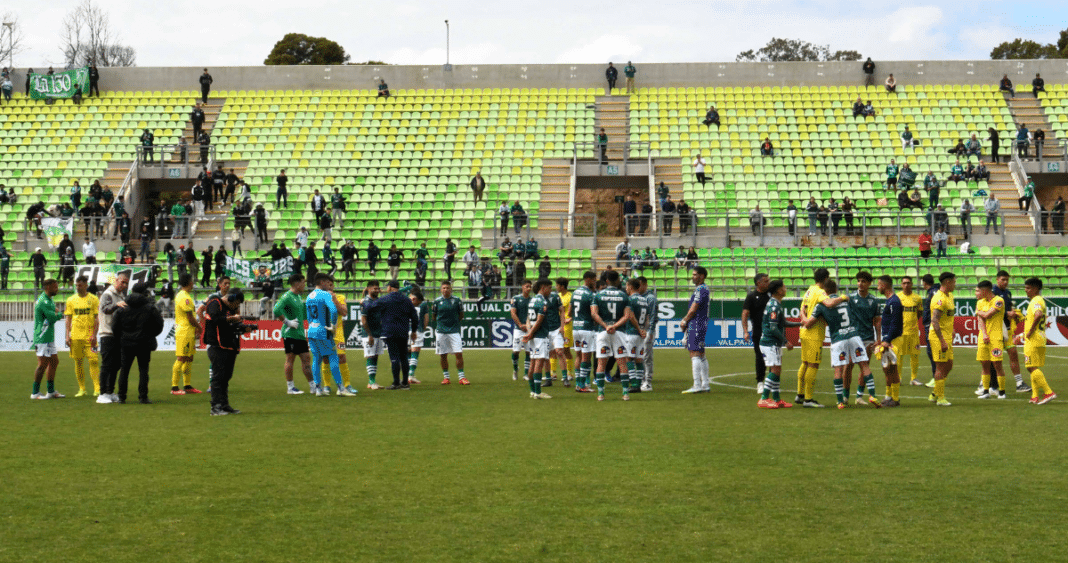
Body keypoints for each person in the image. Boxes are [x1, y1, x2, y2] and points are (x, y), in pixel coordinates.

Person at [801, 280, 878, 409]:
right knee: (864, 365)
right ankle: (872, 395)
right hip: (854, 336)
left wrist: (802, 312)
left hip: (838, 339)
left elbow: (808, 324)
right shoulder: (846, 300)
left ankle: (840, 401)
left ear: (824, 292)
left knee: (839, 369)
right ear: (836, 289)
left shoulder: (821, 305)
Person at [112, 282, 164, 405]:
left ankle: (121, 396)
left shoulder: (122, 307)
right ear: (144, 292)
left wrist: (121, 338)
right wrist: (151, 335)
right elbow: (159, 325)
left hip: (126, 343)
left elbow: (115, 327)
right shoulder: (150, 307)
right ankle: (143, 396)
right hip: (144, 343)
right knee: (143, 370)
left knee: (124, 370)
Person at [306, 274, 353, 396]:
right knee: (333, 357)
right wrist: (332, 325)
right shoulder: (325, 294)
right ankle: (341, 388)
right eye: (327, 283)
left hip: (312, 330)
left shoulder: (309, 296)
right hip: (324, 331)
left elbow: (308, 315)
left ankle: (318, 389)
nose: (329, 285)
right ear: (322, 282)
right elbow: (333, 310)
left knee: (317, 359)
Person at [756, 279, 800, 409]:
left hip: (772, 343)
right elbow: (774, 328)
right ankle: (764, 398)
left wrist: (800, 323)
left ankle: (776, 399)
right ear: (778, 290)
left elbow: (783, 323)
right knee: (774, 370)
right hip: (770, 343)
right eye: (784, 287)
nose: (786, 289)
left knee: (777, 370)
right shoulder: (774, 306)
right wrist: (786, 341)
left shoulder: (776, 304)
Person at [367, 280, 419, 390]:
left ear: (390, 287)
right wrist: (414, 331)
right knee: (404, 357)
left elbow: (370, 307)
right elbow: (414, 316)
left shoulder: (385, 299)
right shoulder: (406, 299)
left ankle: (396, 383)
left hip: (389, 331)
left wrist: (364, 300)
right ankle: (405, 383)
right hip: (403, 331)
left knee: (394, 357)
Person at [590, 270, 632, 401]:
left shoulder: (598, 295)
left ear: (606, 281)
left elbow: (594, 314)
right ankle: (625, 393)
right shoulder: (624, 295)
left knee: (601, 363)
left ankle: (601, 394)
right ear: (618, 280)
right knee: (622, 363)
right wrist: (614, 326)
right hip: (619, 332)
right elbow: (627, 316)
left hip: (603, 332)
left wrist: (605, 325)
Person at [203, 288, 246, 415]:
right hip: (217, 346)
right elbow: (216, 320)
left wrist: (244, 328)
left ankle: (224, 405)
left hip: (229, 346)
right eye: (236, 303)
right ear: (231, 298)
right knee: (218, 378)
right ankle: (215, 407)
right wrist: (232, 319)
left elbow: (231, 327)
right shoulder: (214, 303)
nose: (237, 306)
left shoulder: (230, 310)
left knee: (226, 377)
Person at [274, 274, 316, 394]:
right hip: (290, 333)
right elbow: (276, 310)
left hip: (299, 334)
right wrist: (287, 322)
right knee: (290, 359)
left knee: (306, 358)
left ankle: (313, 386)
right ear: (296, 284)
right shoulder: (287, 296)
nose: (305, 285)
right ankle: (290, 387)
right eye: (303, 282)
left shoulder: (298, 297)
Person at [1017, 278, 1056, 404]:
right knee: (1033, 367)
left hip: (1034, 339)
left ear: (1035, 289)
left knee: (1030, 367)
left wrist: (1029, 332)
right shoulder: (1038, 300)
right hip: (1039, 337)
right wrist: (1022, 334)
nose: (1025, 290)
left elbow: (1038, 314)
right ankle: (1034, 396)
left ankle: (1048, 392)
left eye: (1028, 288)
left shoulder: (1036, 300)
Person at [65, 276, 100, 398]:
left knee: (94, 360)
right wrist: (67, 336)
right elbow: (68, 318)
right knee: (78, 362)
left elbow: (97, 318)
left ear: (85, 285)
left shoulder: (94, 299)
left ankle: (97, 388)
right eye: (76, 285)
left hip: (90, 337)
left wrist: (95, 335)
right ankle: (82, 389)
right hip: (75, 336)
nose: (77, 287)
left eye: (80, 285)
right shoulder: (71, 300)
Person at [95, 273, 128, 404]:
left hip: (117, 334)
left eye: (126, 283)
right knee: (107, 364)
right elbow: (105, 309)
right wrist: (117, 305)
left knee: (116, 364)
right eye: (122, 282)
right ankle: (102, 393)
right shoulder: (108, 294)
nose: (124, 285)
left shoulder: (121, 295)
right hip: (107, 333)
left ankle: (110, 391)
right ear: (116, 281)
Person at [521, 279, 557, 400]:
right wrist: (531, 332)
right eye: (549, 288)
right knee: (539, 363)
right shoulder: (542, 302)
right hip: (540, 336)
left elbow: (528, 319)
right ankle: (538, 392)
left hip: (533, 337)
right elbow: (539, 320)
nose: (551, 291)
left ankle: (532, 391)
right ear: (543, 287)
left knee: (532, 363)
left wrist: (529, 332)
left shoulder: (532, 300)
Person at [31, 279, 65, 400]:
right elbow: (51, 318)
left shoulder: (49, 299)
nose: (57, 289)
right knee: (42, 364)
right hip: (42, 336)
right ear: (48, 287)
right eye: (55, 287)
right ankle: (35, 393)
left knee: (54, 361)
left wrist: (56, 313)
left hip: (48, 336)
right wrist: (61, 314)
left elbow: (52, 314)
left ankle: (50, 391)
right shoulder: (43, 301)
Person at [974, 280, 1008, 400]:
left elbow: (988, 315)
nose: (976, 293)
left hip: (996, 337)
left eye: (978, 290)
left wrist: (979, 312)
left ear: (985, 290)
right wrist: (984, 334)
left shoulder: (999, 300)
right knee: (984, 364)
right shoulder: (980, 302)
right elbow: (981, 320)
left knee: (997, 364)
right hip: (983, 337)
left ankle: (1002, 392)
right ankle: (986, 391)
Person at [679, 267, 711, 394]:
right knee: (701, 354)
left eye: (695, 274)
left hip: (696, 323)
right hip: (701, 323)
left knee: (694, 353)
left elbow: (694, 308)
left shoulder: (700, 289)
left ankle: (697, 384)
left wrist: (685, 320)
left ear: (702, 276)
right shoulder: (704, 289)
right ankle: (705, 384)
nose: (692, 277)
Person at [431, 281, 468, 385]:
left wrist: (454, 324)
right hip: (441, 332)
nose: (445, 290)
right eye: (443, 288)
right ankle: (446, 378)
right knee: (443, 355)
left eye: (447, 288)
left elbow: (461, 315)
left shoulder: (457, 300)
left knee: (459, 353)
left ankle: (462, 378)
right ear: (441, 290)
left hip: (454, 331)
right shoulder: (437, 301)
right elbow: (434, 316)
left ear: (451, 289)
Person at [875, 275, 903, 406]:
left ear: (884, 286)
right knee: (887, 369)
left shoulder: (894, 302)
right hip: (889, 339)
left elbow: (895, 323)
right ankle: (888, 396)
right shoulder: (890, 301)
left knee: (893, 369)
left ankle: (895, 399)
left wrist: (887, 339)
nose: (877, 287)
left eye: (879, 284)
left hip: (894, 340)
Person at [741, 273, 771, 394]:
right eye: (765, 281)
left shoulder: (771, 294)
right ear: (758, 283)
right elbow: (744, 314)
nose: (768, 283)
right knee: (760, 357)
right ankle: (760, 382)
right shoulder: (751, 296)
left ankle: (771, 382)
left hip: (771, 331)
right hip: (758, 331)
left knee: (773, 358)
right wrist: (745, 331)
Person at [406, 289, 429, 385]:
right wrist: (422, 329)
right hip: (417, 331)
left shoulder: (406, 303)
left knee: (408, 352)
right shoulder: (423, 305)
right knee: (415, 352)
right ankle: (411, 375)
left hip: (406, 330)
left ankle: (407, 375)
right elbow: (426, 319)